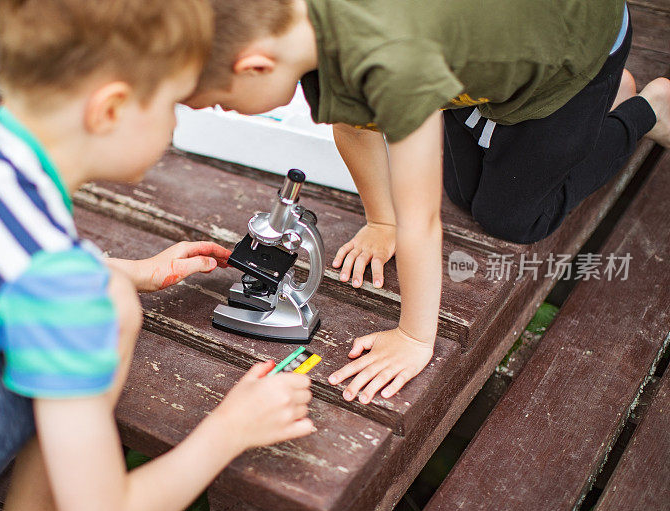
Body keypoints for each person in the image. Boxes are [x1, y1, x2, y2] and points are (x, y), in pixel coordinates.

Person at [0, 1, 313, 511]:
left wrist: (130, 270)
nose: (174, 125)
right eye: (172, 104)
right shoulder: (61, 283)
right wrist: (231, 428)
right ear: (110, 110)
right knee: (111, 309)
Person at [184, 0, 670, 405]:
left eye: (220, 102)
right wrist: (380, 220)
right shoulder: (308, 24)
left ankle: (642, 107)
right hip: (492, 41)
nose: (220, 111)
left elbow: (422, 222)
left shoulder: (395, 63)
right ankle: (597, 108)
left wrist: (415, 338)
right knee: (463, 190)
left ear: (253, 66)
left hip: (576, 49)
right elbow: (353, 122)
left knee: (513, 217)